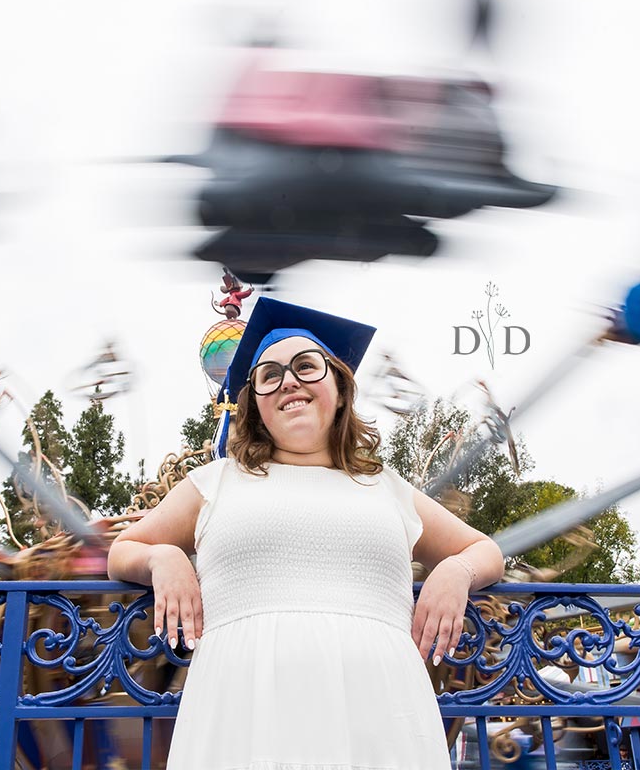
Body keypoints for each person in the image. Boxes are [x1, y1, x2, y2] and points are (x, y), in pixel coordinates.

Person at [108, 297, 504, 769]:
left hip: (380, 715)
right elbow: (124, 548)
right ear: (254, 404)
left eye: (305, 366)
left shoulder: (387, 488)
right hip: (243, 714)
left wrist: (456, 571)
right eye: (268, 375)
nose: (288, 381)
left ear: (339, 386)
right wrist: (163, 559)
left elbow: (484, 549)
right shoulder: (213, 483)